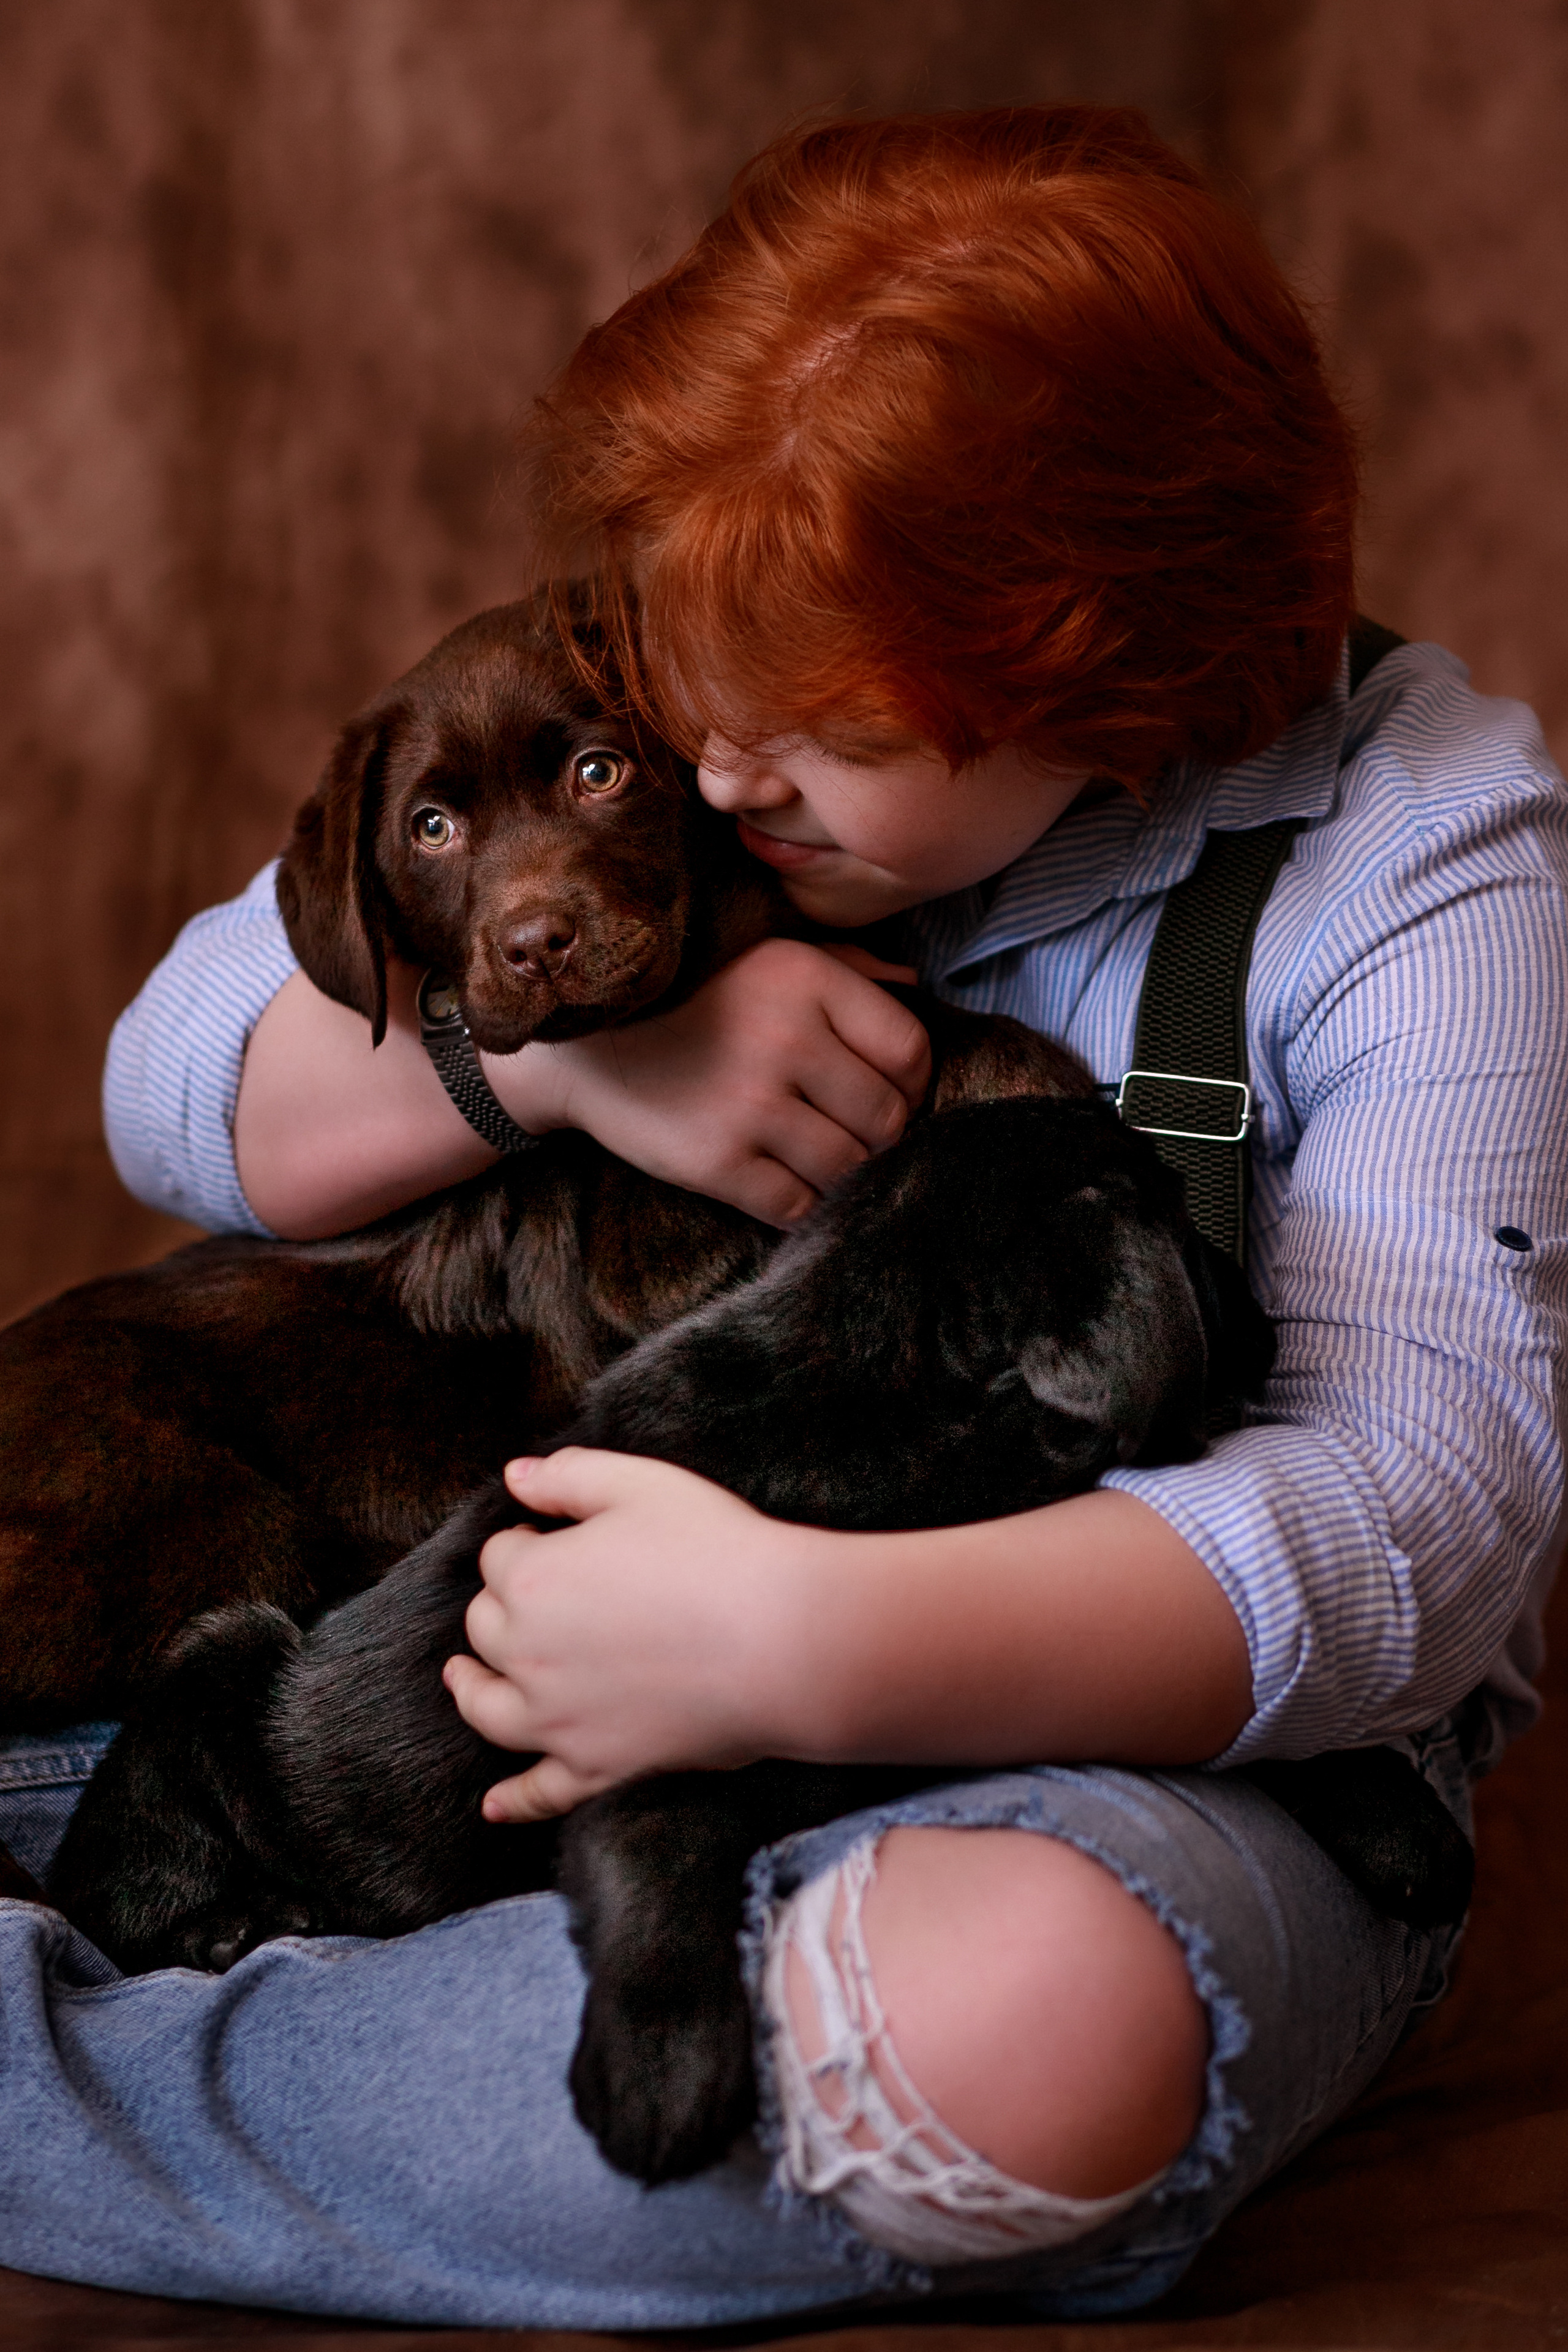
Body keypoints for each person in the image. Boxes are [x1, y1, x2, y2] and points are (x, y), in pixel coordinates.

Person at [2, 105, 1565, 2328]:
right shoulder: (721, 692)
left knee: (1031, 2022)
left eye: (815, 714)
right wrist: (562, 1062)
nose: (720, 757)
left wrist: (784, 1646)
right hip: (458, 1697)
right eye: (689, 666)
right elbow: (174, 1078)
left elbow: (1424, 1518)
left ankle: (65, 2068)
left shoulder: (1421, 865)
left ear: (1097, 653)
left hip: (1117, 1766)